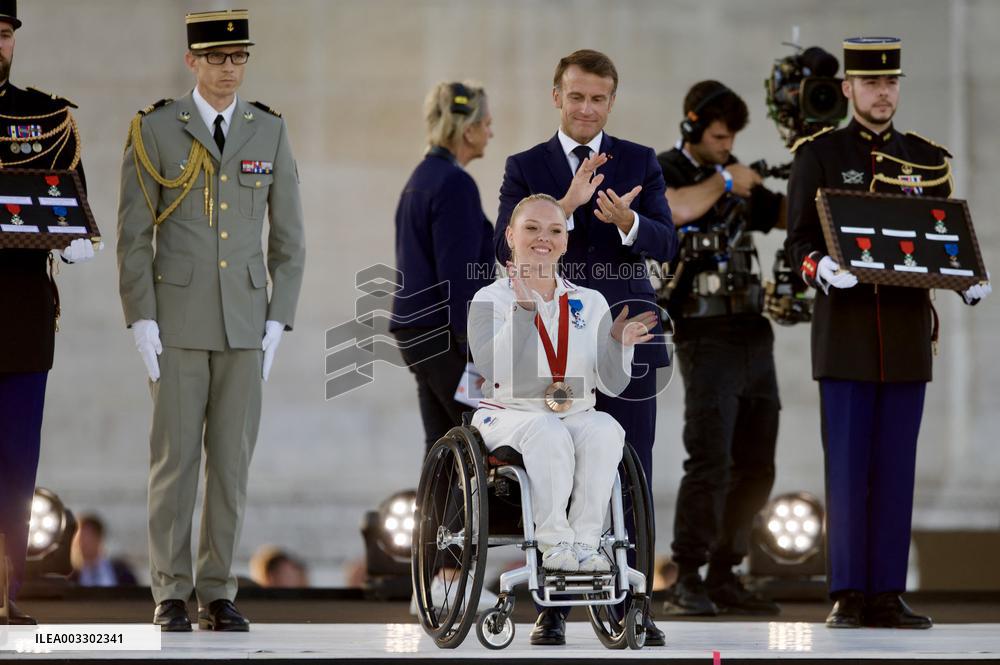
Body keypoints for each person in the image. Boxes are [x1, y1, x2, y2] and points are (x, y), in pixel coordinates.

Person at [785, 36, 992, 630]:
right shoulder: (819, 155)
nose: (883, 92)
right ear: (848, 89)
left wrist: (964, 278)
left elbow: (938, 238)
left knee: (897, 470)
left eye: (891, 82)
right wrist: (820, 268)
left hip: (904, 337)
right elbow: (800, 240)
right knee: (849, 472)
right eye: (871, 83)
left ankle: (886, 593)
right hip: (846, 335)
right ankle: (848, 592)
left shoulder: (927, 160)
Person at [116, 9, 305, 633]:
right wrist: (141, 318)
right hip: (175, 321)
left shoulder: (268, 130)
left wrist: (280, 319)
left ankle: (218, 590)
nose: (229, 68)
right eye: (217, 57)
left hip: (245, 324)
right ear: (192, 60)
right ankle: (170, 592)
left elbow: (289, 241)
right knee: (174, 463)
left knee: (231, 463)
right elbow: (134, 237)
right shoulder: (155, 128)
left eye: (238, 57)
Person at [495, 49, 676, 646]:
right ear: (557, 97)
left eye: (598, 99)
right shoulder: (526, 166)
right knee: (563, 465)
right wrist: (566, 210)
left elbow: (666, 243)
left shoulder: (641, 160)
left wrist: (628, 223)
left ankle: (635, 603)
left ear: (611, 101)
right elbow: (505, 248)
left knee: (634, 471)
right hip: (551, 338)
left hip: (624, 329)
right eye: (576, 97)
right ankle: (555, 607)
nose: (586, 109)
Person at [469, 193, 655, 572]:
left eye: (555, 230)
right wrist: (523, 312)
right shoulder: (489, 298)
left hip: (575, 411)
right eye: (532, 228)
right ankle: (554, 544)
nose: (544, 238)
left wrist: (619, 347)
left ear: (565, 241)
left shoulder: (590, 300)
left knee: (606, 428)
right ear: (510, 235)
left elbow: (612, 386)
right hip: (511, 414)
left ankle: (586, 543)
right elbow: (495, 369)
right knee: (545, 429)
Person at [657, 81, 783, 616]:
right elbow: (674, 212)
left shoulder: (737, 177)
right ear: (692, 129)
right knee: (709, 456)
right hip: (704, 333)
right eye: (716, 136)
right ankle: (688, 573)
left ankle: (727, 570)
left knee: (757, 463)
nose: (725, 144)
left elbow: (783, 216)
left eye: (731, 137)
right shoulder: (666, 168)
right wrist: (727, 179)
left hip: (753, 330)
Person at [0, 0, 99, 625]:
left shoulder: (44, 116)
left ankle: (5, 596)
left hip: (21, 317)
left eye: (5, 33)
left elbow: (72, 200)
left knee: (15, 461)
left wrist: (78, 234)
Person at [390, 81, 495, 451]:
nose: (490, 132)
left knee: (442, 444)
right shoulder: (455, 184)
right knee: (486, 434)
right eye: (485, 125)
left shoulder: (420, 179)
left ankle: (430, 513)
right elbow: (460, 276)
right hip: (443, 337)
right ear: (468, 131)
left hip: (417, 334)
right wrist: (479, 348)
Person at [70, 514, 138, 587]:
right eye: (79, 539)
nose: (82, 544)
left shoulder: (122, 572)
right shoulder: (71, 577)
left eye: (87, 538)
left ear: (99, 538)